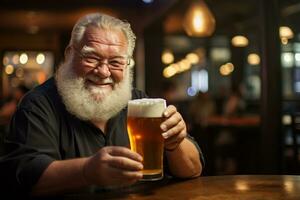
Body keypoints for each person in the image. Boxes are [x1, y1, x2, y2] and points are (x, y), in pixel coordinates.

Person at [0, 13, 204, 197]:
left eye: (115, 62)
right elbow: (24, 177)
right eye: (91, 58)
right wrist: (86, 171)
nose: (103, 72)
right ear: (70, 54)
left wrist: (175, 143)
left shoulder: (140, 103)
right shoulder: (38, 105)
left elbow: (193, 169)